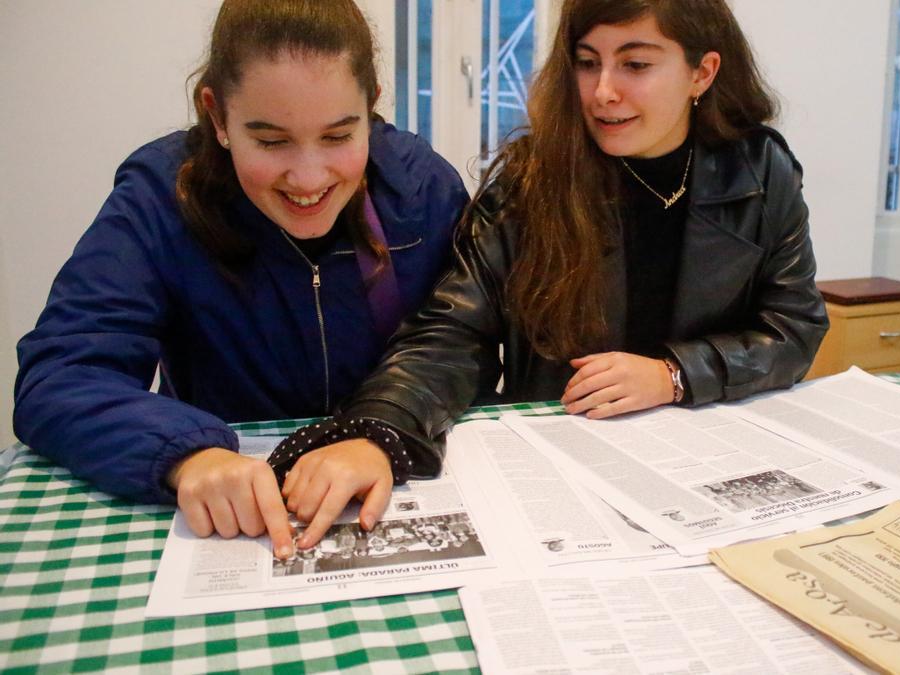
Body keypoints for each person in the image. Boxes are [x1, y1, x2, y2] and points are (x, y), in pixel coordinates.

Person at [270, 0, 828, 550]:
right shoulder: (532, 179)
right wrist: (377, 431)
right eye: (587, 63)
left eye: (635, 65)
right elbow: (451, 333)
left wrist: (674, 374)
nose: (603, 91)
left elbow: (795, 328)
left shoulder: (759, 170)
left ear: (701, 73)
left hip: (713, 461)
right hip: (567, 469)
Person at [12, 0, 467, 559]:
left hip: (390, 478)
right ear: (218, 117)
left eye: (338, 136)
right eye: (271, 141)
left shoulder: (422, 188)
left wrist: (381, 428)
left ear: (371, 108)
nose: (308, 178)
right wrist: (188, 456)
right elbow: (62, 374)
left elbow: (459, 340)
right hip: (237, 513)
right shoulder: (159, 197)